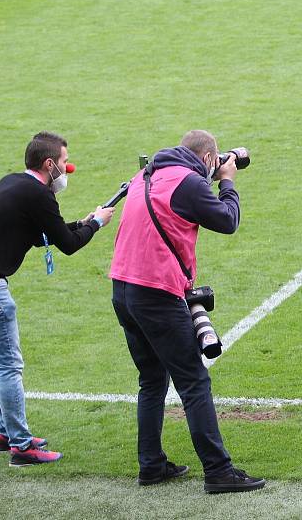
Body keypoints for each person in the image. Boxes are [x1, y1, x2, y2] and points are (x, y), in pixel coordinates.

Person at [109, 129, 265, 493]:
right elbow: (228, 221)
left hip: (122, 289)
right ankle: (218, 471)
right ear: (209, 158)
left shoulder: (145, 174)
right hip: (155, 294)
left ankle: (151, 465)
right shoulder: (190, 182)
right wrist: (227, 182)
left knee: (151, 378)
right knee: (194, 381)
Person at [0, 131, 115, 466]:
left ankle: (5, 433)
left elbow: (43, 235)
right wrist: (96, 223)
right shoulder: (39, 195)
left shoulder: (14, 183)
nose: (67, 170)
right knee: (8, 365)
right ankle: (22, 447)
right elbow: (66, 244)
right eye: (65, 163)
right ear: (49, 164)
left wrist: (81, 222)